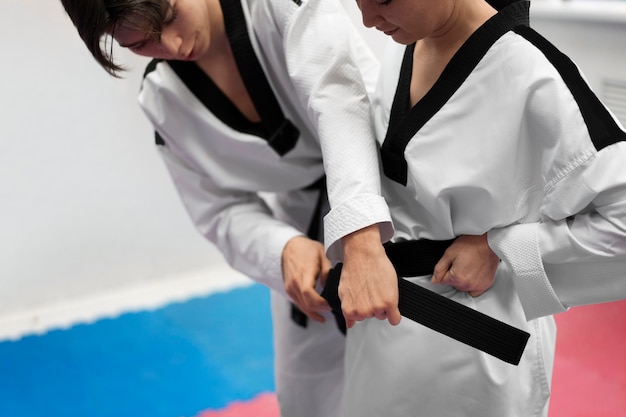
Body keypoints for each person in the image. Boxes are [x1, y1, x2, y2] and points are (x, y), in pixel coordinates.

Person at [57, 0, 400, 415]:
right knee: (308, 392)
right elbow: (219, 210)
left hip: (389, 194)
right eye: (142, 43)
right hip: (302, 232)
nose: (174, 44)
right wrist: (282, 247)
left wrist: (360, 238)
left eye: (170, 19)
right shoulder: (164, 100)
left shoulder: (279, 7)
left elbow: (341, 101)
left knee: (422, 371)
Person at [338, 0, 626, 416]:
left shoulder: (531, 71)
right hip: (387, 318)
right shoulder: (405, 41)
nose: (368, 19)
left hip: (475, 339)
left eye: (383, 0)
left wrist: (500, 246)